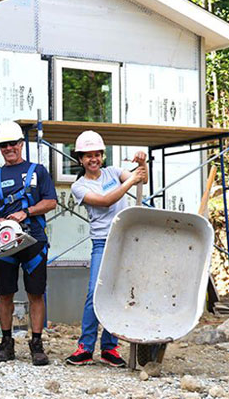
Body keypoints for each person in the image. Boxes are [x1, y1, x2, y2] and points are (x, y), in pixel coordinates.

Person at [65, 130, 147, 368]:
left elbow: (143, 179)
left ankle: (110, 348)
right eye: (88, 155)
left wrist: (141, 164)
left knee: (118, 293)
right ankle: (85, 347)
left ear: (102, 155)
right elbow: (105, 201)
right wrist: (131, 180)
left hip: (124, 240)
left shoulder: (113, 172)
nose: (93, 159)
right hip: (102, 242)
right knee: (95, 293)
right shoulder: (79, 186)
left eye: (97, 154)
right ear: (80, 159)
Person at [0, 121, 57, 366]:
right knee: (5, 293)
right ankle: (6, 341)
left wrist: (28, 211)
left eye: (13, 143)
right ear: (0, 148)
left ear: (21, 144)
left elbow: (51, 202)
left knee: (35, 293)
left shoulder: (39, 171)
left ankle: (36, 342)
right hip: (6, 242)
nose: (9, 148)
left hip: (34, 240)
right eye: (4, 145)